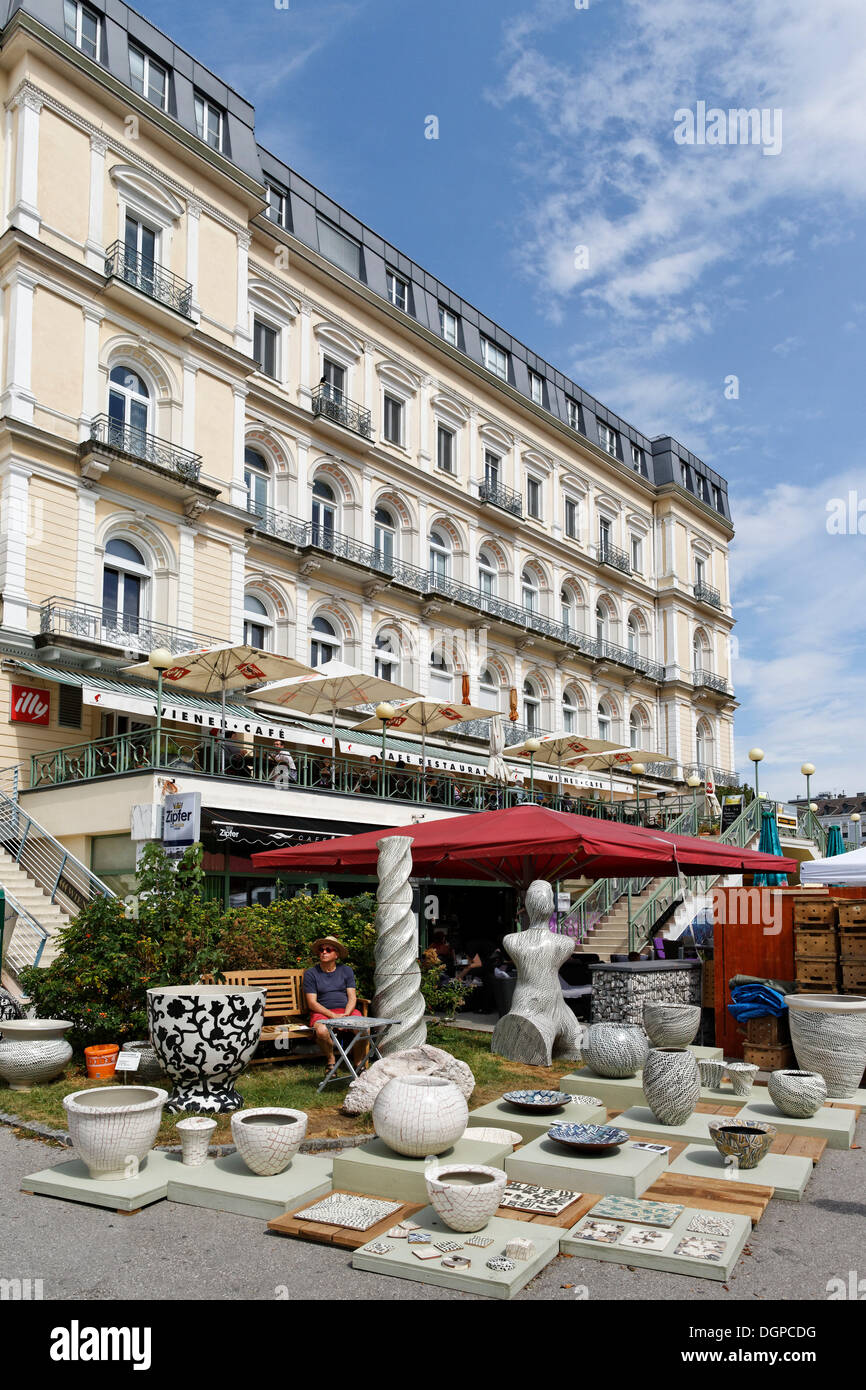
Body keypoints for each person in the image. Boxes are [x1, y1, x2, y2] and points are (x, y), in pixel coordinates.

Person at [302, 936, 361, 1069]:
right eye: (321, 950)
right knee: (322, 1031)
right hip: (322, 1012)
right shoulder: (311, 974)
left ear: (337, 955)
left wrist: (346, 1015)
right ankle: (331, 1061)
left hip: (346, 1011)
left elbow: (352, 997)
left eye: (328, 949)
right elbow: (312, 1003)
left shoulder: (346, 970)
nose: (324, 952)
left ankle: (358, 1064)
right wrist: (332, 1016)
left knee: (364, 1029)